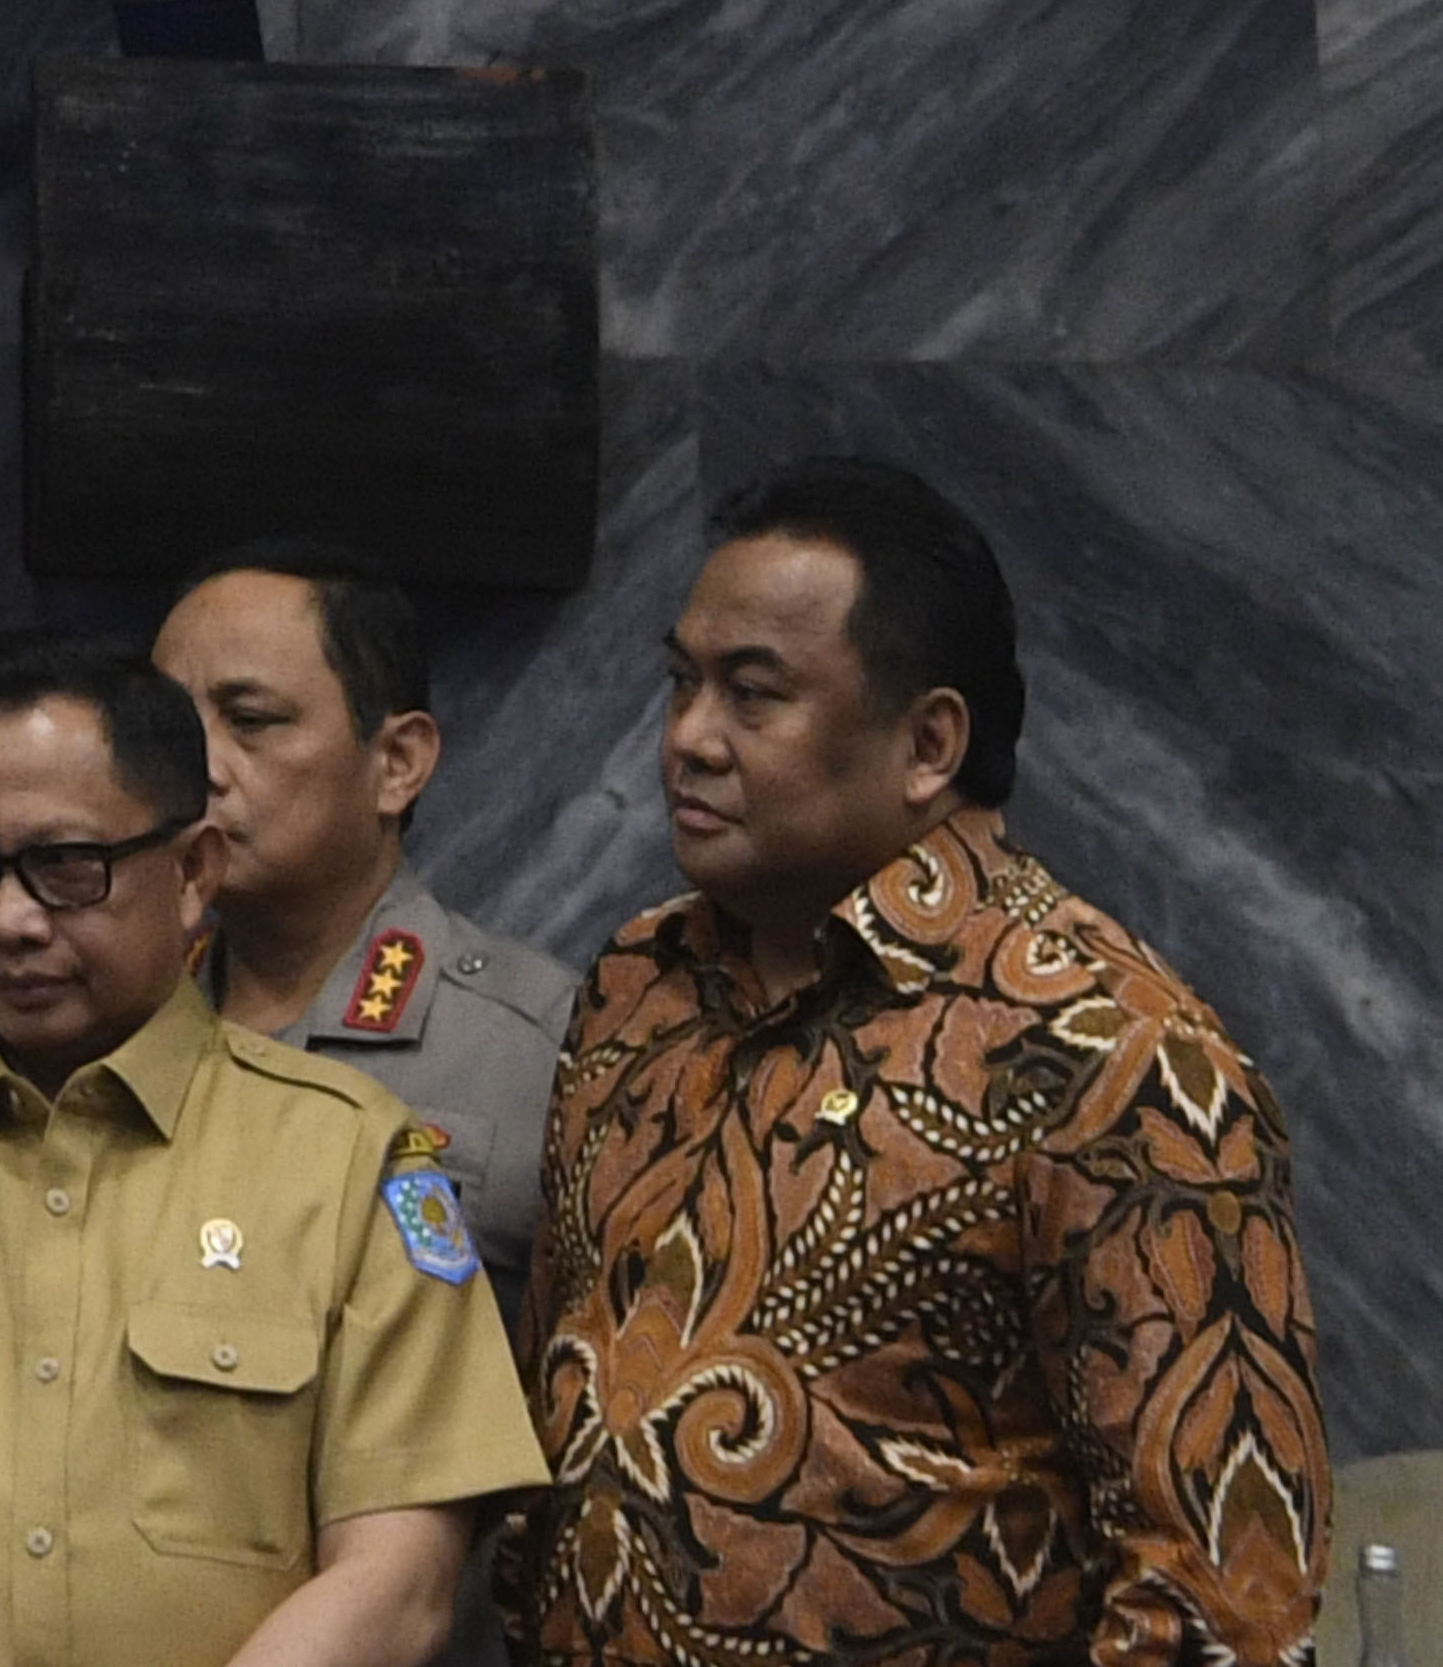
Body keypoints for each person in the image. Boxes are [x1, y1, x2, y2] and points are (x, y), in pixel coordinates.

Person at [507, 458, 1328, 1665]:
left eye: (753, 694)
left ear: (929, 741)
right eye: (682, 682)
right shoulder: (638, 986)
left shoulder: (1113, 1050)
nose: (687, 738)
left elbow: (1225, 1600)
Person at [0, 632, 546, 1667]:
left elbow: (401, 1580)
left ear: (193, 870)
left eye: (66, 868)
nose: (9, 920)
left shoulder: (350, 1162)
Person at [152, 547, 575, 1271]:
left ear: (397, 763)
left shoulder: (540, 1044)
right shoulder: (119, 1017)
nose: (195, 769)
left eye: (249, 720)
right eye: (165, 729)